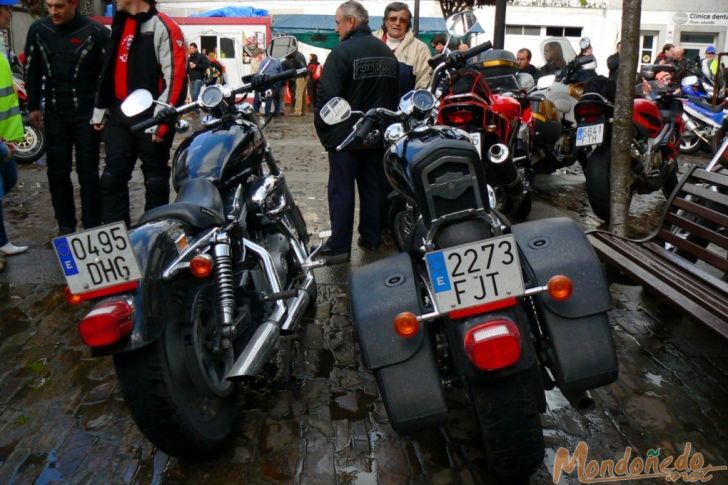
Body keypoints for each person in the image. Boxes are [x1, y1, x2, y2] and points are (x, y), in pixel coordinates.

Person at [314, 0, 398, 264]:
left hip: (347, 137)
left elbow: (327, 100)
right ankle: (371, 237)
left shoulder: (341, 53)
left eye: (338, 23)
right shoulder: (385, 52)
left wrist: (329, 138)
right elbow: (394, 93)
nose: (336, 28)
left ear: (350, 22)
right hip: (377, 134)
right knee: (373, 188)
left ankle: (340, 245)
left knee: (342, 191)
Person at [91, 0, 188, 227]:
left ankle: (154, 234)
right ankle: (117, 238)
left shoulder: (164, 26)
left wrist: (162, 122)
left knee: (154, 180)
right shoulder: (120, 24)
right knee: (111, 178)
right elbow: (107, 73)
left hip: (152, 117)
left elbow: (175, 78)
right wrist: (100, 111)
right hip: (119, 115)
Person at [24, 0, 108, 236]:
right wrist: (33, 106)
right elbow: (32, 70)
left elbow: (105, 76)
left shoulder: (96, 32)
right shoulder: (39, 30)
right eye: (49, 6)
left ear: (74, 4)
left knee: (88, 171)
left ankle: (92, 225)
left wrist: (103, 111)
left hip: (87, 113)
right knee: (56, 171)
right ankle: (65, 225)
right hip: (54, 112)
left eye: (59, 6)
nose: (53, 11)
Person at [0, 0, 28, 268]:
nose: (10, 13)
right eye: (7, 8)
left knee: (7, 182)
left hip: (3, 136)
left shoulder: (0, 42)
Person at [374, 1, 430, 96]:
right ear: (386, 22)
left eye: (403, 20)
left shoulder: (420, 49)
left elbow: (423, 84)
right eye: (393, 19)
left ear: (407, 24)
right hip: (369, 109)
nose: (397, 23)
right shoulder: (371, 42)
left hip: (402, 110)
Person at [252, 52, 283, 117]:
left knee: (262, 96)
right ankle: (275, 113)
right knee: (274, 97)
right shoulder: (279, 62)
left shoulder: (264, 61)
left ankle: (259, 111)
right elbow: (281, 74)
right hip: (274, 82)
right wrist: (279, 85)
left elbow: (259, 72)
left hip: (264, 82)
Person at [287, 50, 307, 116]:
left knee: (298, 95)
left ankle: (298, 111)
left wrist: (295, 73)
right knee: (303, 95)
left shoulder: (297, 56)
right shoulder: (300, 54)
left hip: (300, 77)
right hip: (304, 76)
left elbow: (303, 68)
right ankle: (302, 111)